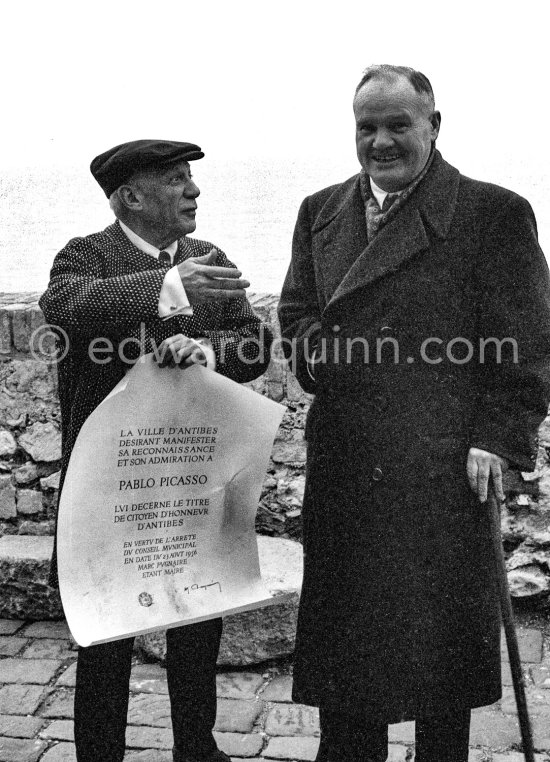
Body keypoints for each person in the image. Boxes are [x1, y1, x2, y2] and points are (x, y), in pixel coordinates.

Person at [277, 65, 550, 762]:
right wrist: (321, 354)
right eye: (367, 126)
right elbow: (298, 313)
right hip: (347, 464)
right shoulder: (321, 209)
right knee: (349, 660)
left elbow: (526, 345)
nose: (382, 141)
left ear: (434, 124)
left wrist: (497, 437)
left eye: (399, 124)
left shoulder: (492, 212)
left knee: (437, 664)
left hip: (442, 466)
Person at [40, 139, 272, 762]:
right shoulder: (84, 257)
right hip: (109, 490)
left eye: (191, 179)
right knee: (106, 638)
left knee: (199, 625)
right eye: (176, 180)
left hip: (193, 483)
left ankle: (197, 748)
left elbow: (254, 347)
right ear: (131, 197)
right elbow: (66, 310)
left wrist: (211, 353)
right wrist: (169, 284)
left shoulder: (209, 258)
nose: (194, 191)